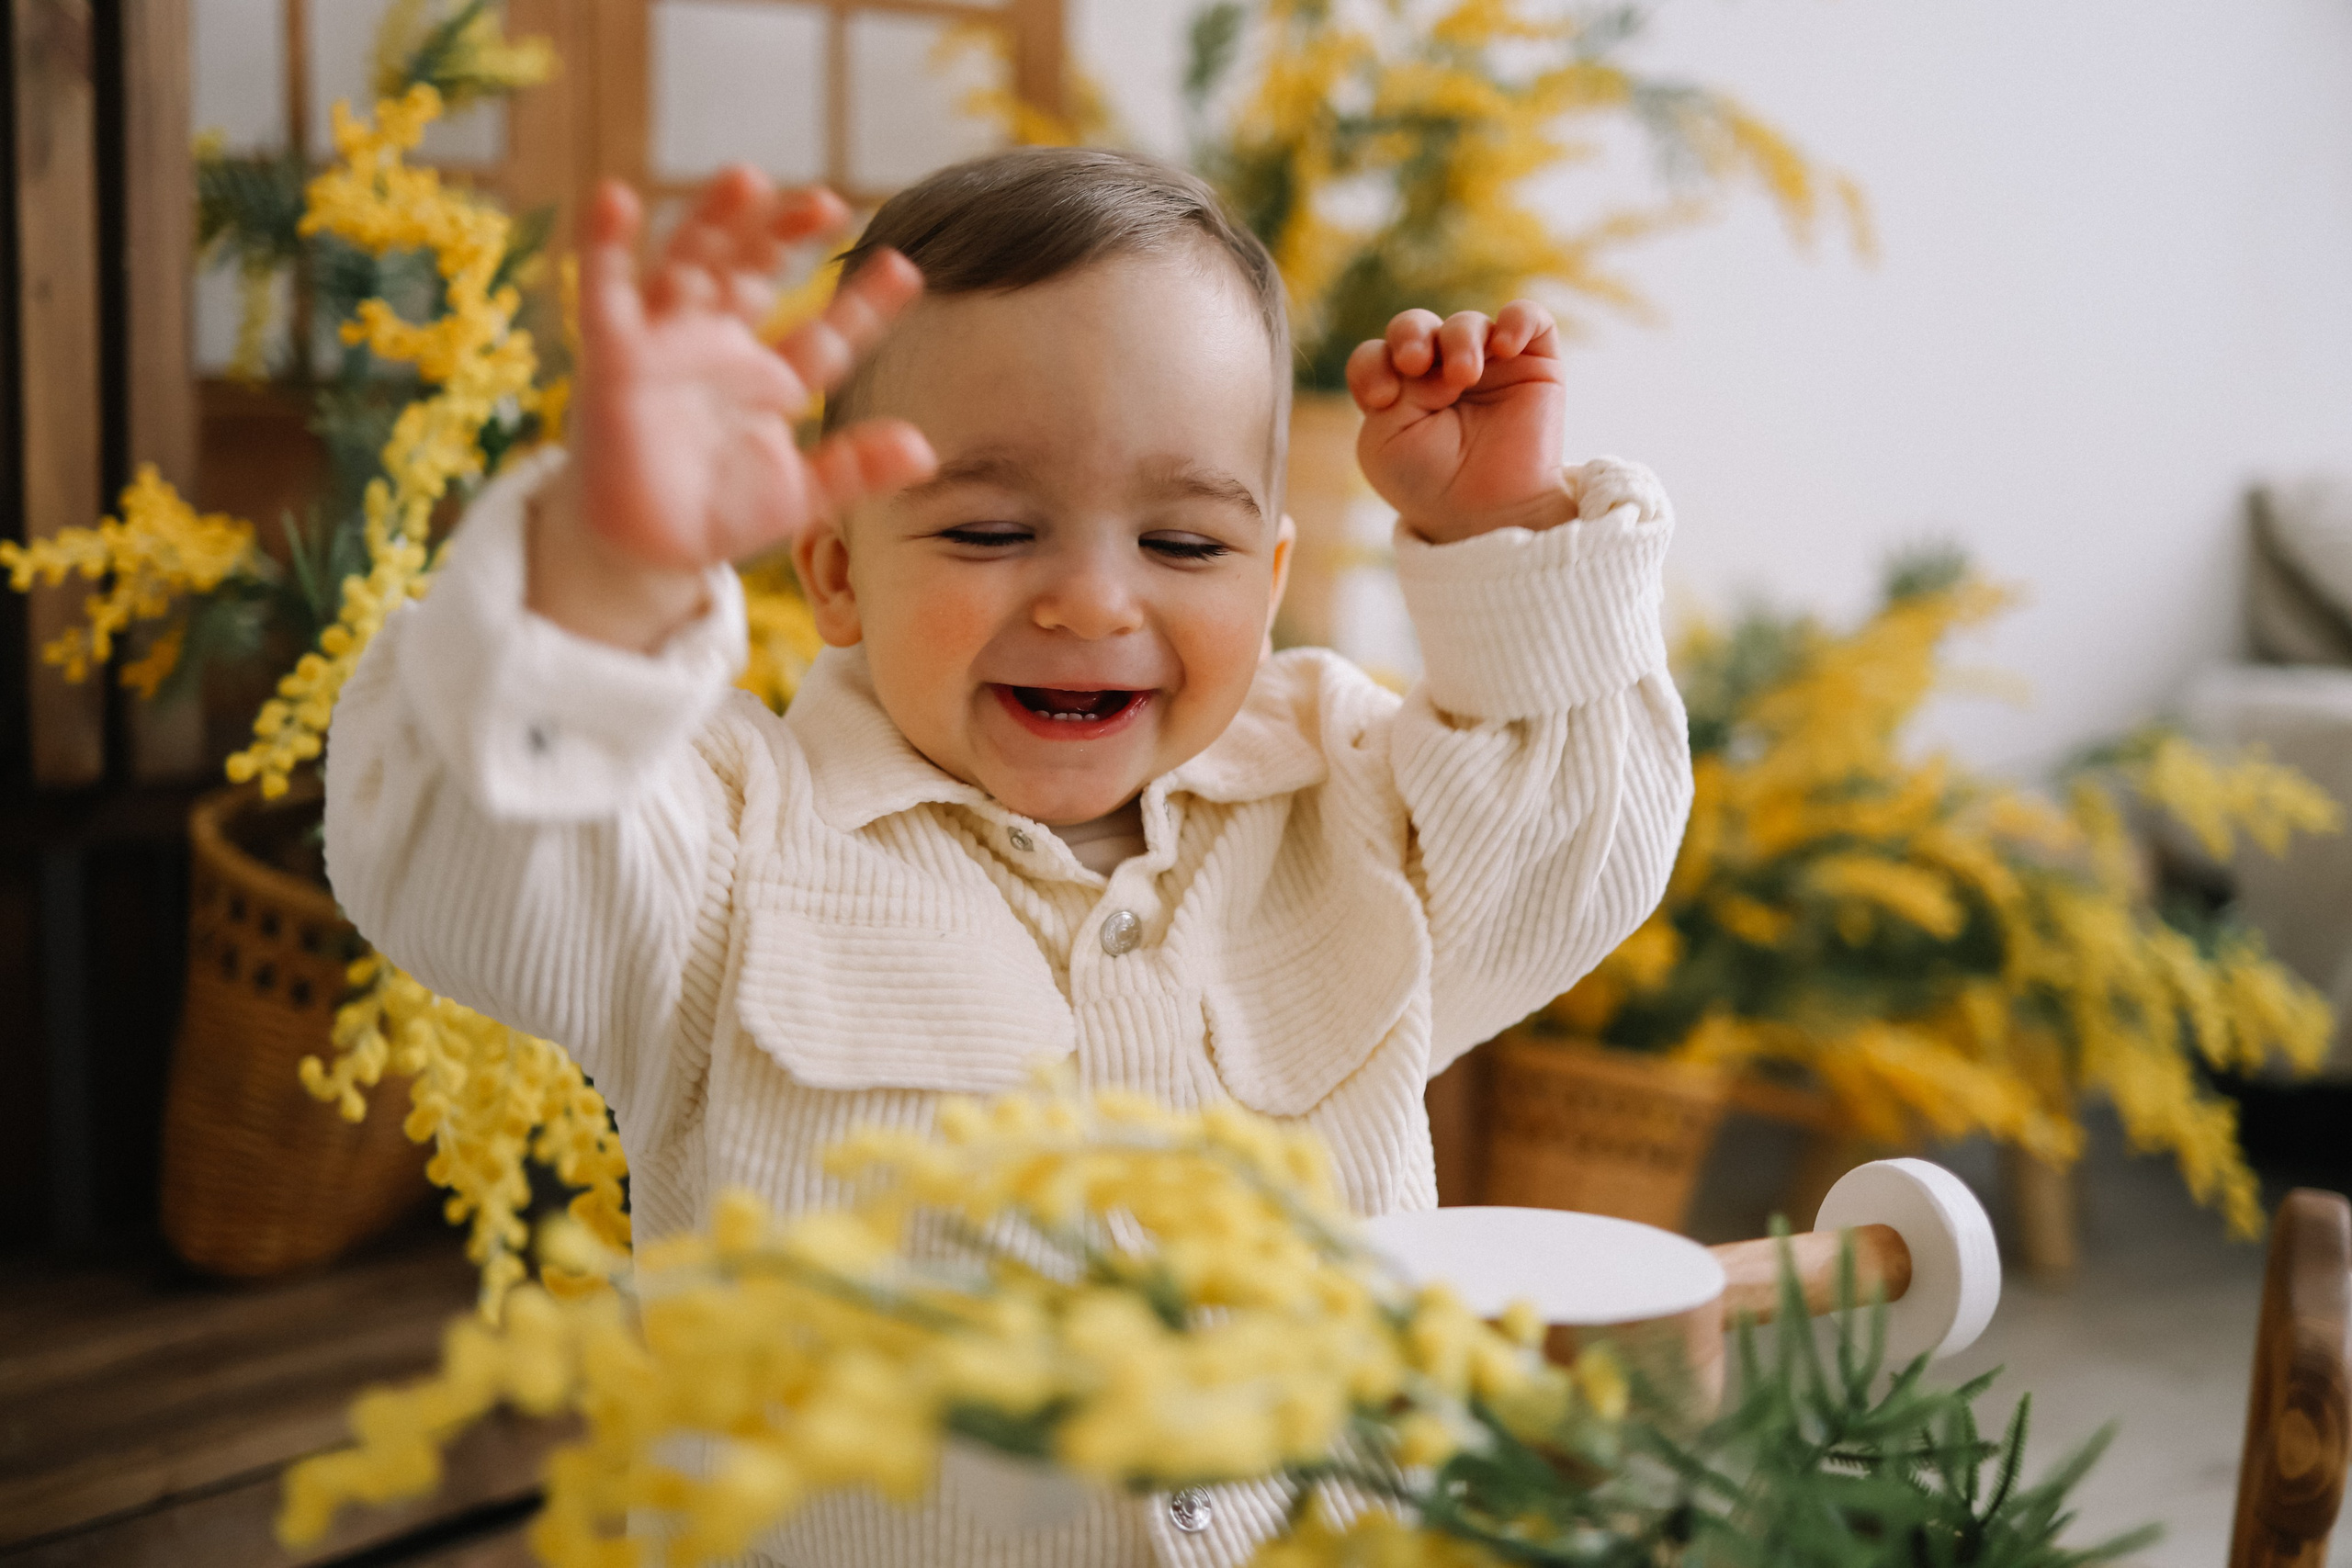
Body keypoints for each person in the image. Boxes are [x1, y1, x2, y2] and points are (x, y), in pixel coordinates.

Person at [324, 145, 1690, 1567]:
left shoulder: (1341, 795)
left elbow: (1572, 864)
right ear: (837, 569)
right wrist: (597, 578)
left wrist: (1505, 540)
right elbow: (464, 858)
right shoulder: (731, 843)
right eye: (988, 529)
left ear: (1272, 578)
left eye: (1183, 540)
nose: (1093, 598)